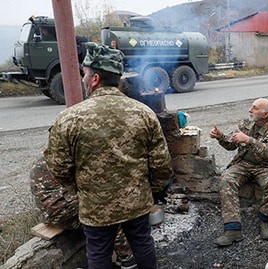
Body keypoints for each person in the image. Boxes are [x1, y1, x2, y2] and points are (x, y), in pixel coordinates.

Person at [44, 42, 173, 269]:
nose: (83, 79)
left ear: (94, 79)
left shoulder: (69, 118)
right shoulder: (144, 113)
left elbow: (58, 168)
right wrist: (150, 190)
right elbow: (162, 165)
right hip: (137, 202)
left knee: (99, 252)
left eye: (84, 74)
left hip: (95, 206)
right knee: (142, 243)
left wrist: (81, 189)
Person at [30, 154, 137, 268]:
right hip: (61, 212)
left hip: (56, 211)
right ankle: (127, 258)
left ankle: (117, 256)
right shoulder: (67, 157)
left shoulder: (54, 154)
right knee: (108, 217)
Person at [210, 98, 268, 247]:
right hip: (243, 164)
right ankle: (233, 230)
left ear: (265, 114)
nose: (250, 110)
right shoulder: (246, 123)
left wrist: (249, 140)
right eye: (251, 107)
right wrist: (220, 137)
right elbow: (231, 144)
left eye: (255, 108)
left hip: (265, 166)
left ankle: (265, 221)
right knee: (226, 179)